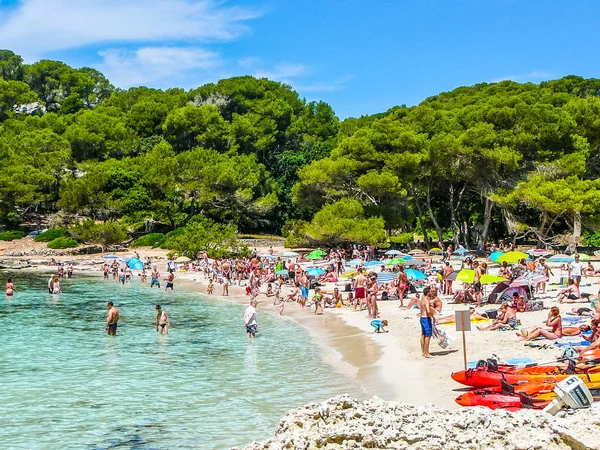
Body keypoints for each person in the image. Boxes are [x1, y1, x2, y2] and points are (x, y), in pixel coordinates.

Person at [418, 287, 434, 358]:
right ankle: (427, 352)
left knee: (423, 335)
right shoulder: (426, 301)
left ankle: (423, 351)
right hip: (426, 318)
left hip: (421, 318)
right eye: (430, 292)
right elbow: (428, 310)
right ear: (428, 293)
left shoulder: (422, 300)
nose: (431, 293)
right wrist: (432, 316)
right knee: (428, 335)